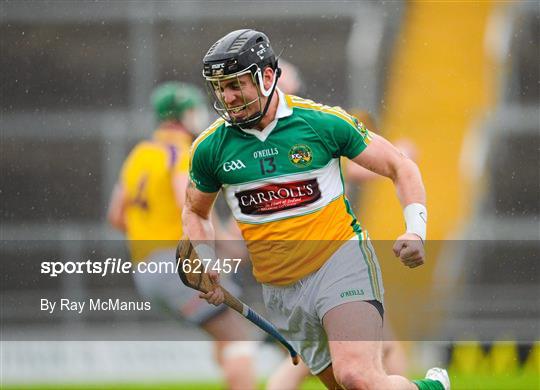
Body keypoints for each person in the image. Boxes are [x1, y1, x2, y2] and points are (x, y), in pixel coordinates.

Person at [183, 29, 450, 390]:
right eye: (219, 88)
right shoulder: (210, 148)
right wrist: (206, 258)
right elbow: (195, 211)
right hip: (280, 288)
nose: (227, 97)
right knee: (347, 386)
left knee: (357, 377)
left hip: (339, 262)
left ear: (265, 78)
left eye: (235, 85)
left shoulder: (320, 122)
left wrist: (415, 229)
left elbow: (399, 165)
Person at [107, 81, 256, 390]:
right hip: (179, 265)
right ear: (184, 115)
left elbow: (116, 217)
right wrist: (222, 246)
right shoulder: (182, 153)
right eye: (195, 110)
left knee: (225, 338)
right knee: (238, 337)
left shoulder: (140, 154)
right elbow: (188, 204)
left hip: (146, 271)